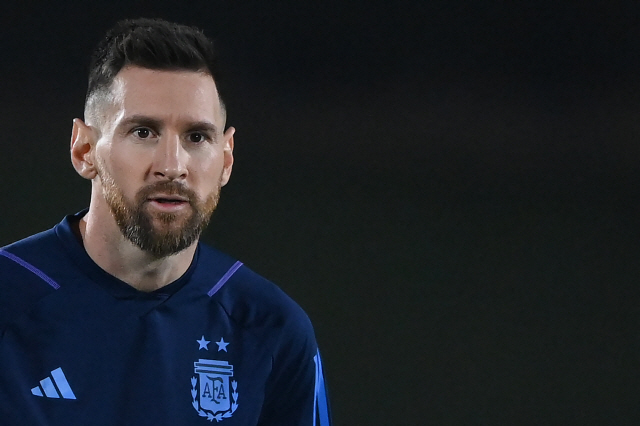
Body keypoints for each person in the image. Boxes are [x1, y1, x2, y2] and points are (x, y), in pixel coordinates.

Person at [0, 18, 331, 426]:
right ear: (85, 150)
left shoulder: (271, 329)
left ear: (226, 159)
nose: (172, 166)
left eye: (197, 137)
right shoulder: (9, 298)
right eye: (143, 132)